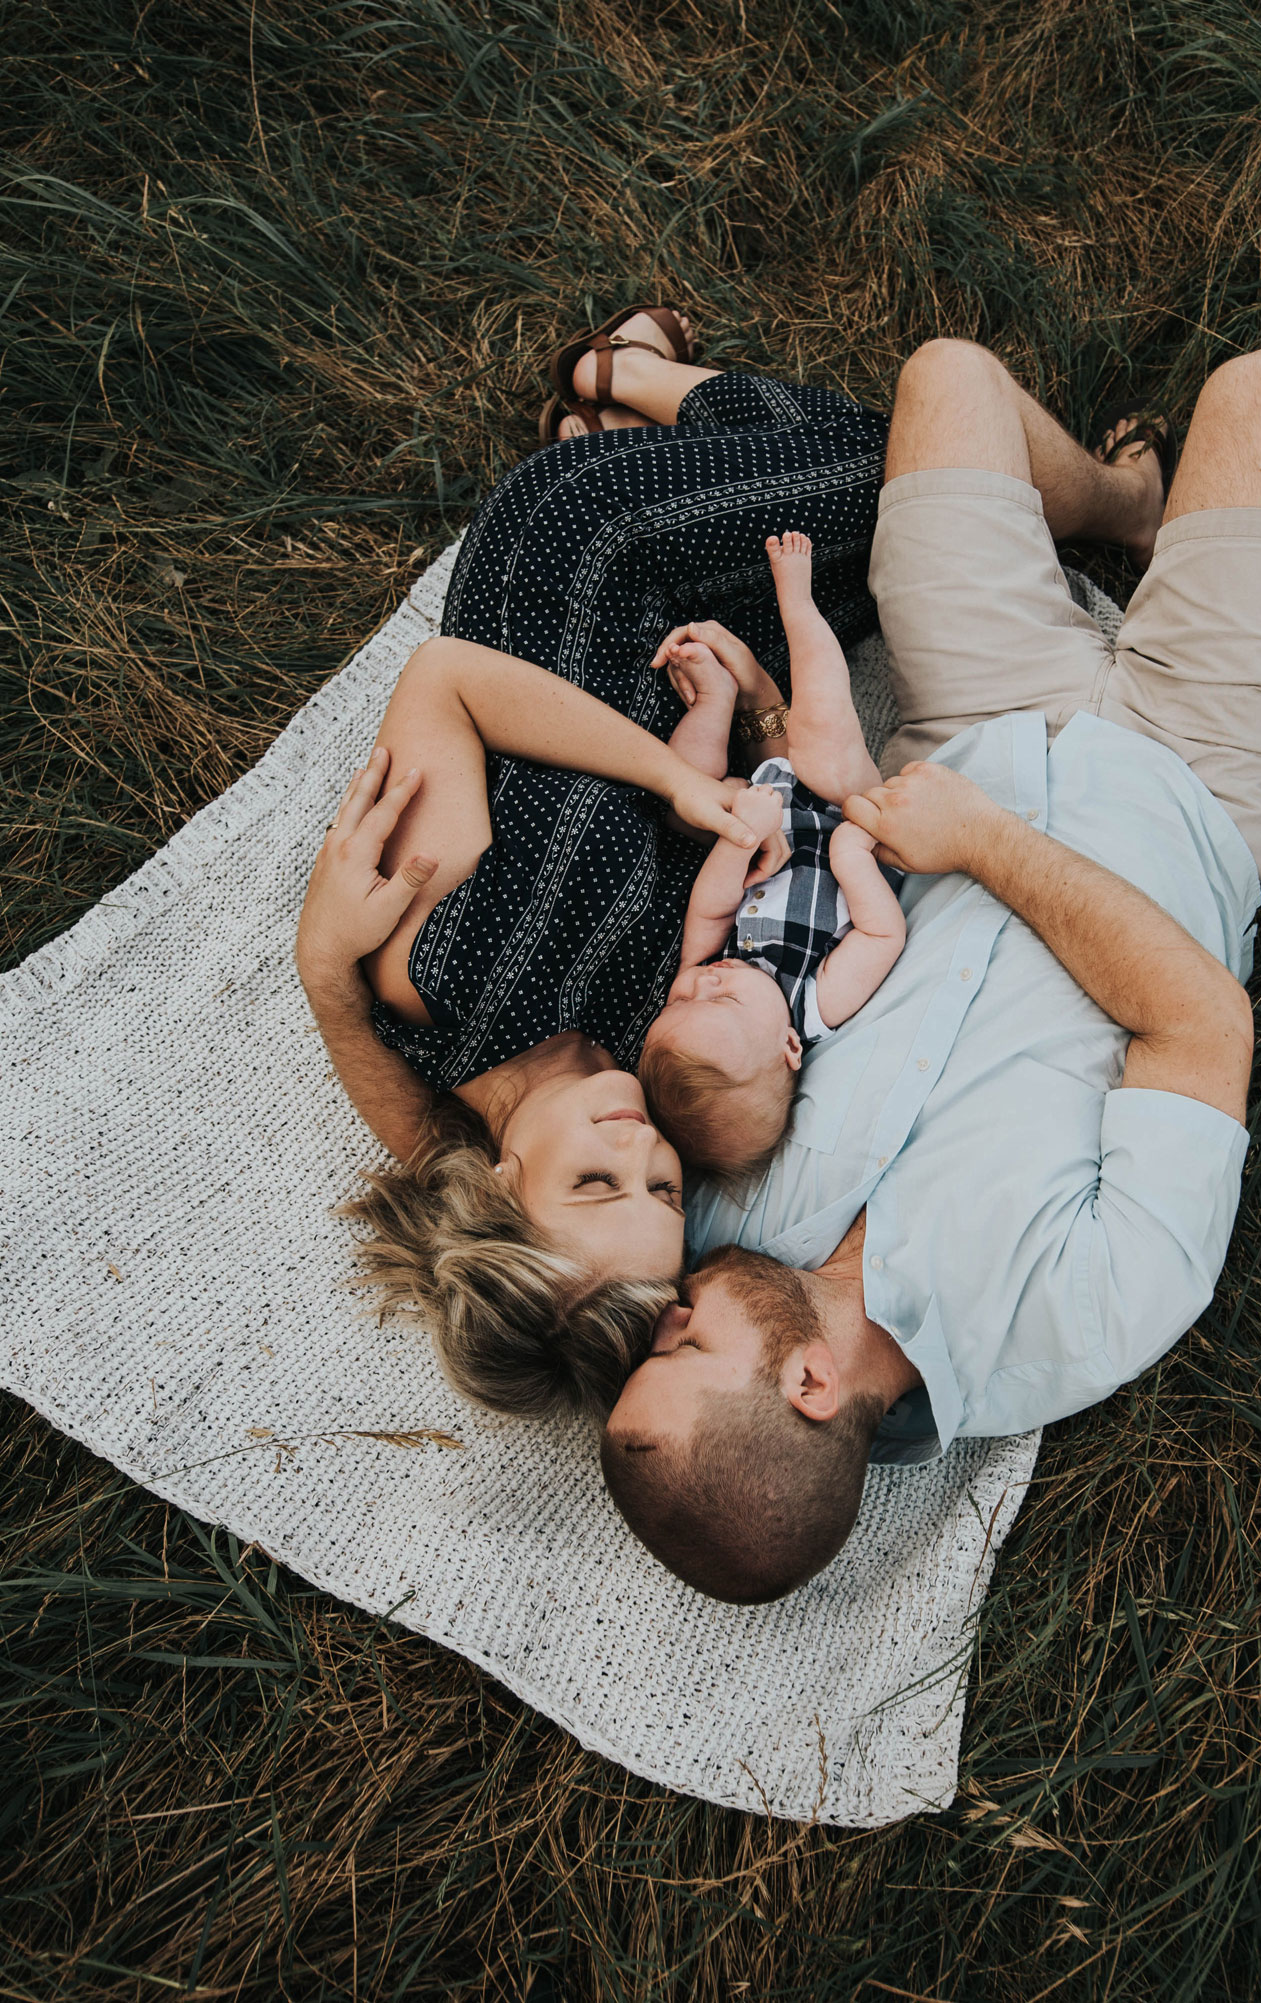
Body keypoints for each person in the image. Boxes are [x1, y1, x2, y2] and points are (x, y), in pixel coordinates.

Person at [599, 340, 1261, 1603]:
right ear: (811, 1385)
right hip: (1194, 777)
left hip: (966, 721)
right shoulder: (1079, 1317)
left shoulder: (717, 1206)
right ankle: (1251, 579)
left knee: (947, 378)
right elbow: (1203, 1028)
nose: (663, 1312)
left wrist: (776, 728)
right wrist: (987, 845)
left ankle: (1127, 508)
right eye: (680, 1346)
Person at [294, 309, 891, 1420]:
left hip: (581, 562)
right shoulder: (647, 1055)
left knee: (891, 475)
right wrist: (746, 730)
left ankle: (620, 377)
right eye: (659, 1189)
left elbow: (445, 679)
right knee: (906, 562)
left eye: (594, 1181)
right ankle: (635, 403)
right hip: (683, 656)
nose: (641, 1149)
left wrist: (670, 781)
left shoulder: (444, 969)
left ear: (502, 1185)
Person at [637, 533, 908, 1178]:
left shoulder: (711, 966)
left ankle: (715, 699)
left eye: (679, 1002)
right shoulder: (814, 1005)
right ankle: (798, 605)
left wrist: (740, 839)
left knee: (685, 799)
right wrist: (852, 855)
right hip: (854, 819)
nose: (703, 983)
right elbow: (881, 934)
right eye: (721, 1001)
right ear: (789, 1047)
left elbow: (709, 908)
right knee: (823, 736)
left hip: (764, 815)